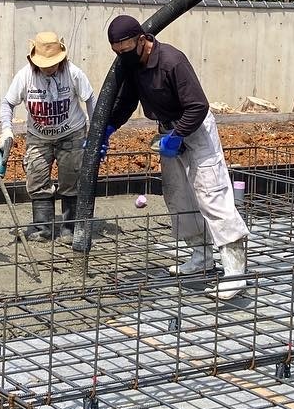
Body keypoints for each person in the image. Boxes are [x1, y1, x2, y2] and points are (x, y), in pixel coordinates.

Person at [98, 15, 250, 298]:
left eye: (126, 49)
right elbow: (127, 102)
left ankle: (234, 272)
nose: (122, 56)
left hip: (195, 130)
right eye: (117, 52)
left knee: (211, 194)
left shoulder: (171, 61)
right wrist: (107, 128)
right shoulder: (133, 65)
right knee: (179, 197)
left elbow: (198, 105)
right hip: (169, 131)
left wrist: (179, 135)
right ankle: (201, 255)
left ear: (142, 40)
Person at [0, 31, 96, 240]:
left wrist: (95, 132)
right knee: (37, 178)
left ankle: (70, 229)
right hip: (38, 136)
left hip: (71, 133)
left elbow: (90, 98)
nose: (49, 67)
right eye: (44, 64)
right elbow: (8, 103)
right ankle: (43, 228)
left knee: (71, 180)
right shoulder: (25, 76)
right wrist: (6, 129)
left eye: (53, 63)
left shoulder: (73, 73)